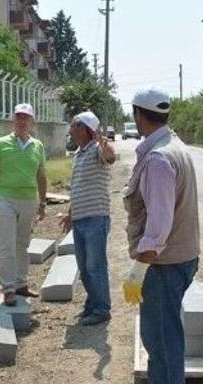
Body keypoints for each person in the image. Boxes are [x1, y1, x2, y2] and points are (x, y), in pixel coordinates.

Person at [122, 88, 200, 384]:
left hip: (164, 263)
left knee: (164, 338)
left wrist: (139, 268)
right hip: (178, 258)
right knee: (156, 334)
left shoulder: (157, 159)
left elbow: (158, 226)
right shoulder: (173, 146)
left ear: (139, 115)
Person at [0, 103, 48, 306]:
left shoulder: (37, 146)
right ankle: (9, 287)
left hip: (29, 200)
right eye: (18, 117)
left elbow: (41, 175)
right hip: (6, 199)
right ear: (13, 120)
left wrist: (43, 202)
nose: (22, 121)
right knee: (7, 244)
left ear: (32, 121)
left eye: (26, 117)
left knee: (23, 244)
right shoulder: (0, 144)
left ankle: (21, 283)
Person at [60, 111, 116, 326]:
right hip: (80, 219)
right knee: (84, 267)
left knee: (95, 266)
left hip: (96, 218)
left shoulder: (96, 149)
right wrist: (70, 214)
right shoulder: (78, 154)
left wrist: (106, 147)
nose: (71, 128)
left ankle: (102, 309)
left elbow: (110, 157)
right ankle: (93, 303)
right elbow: (77, 187)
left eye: (75, 125)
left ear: (85, 129)